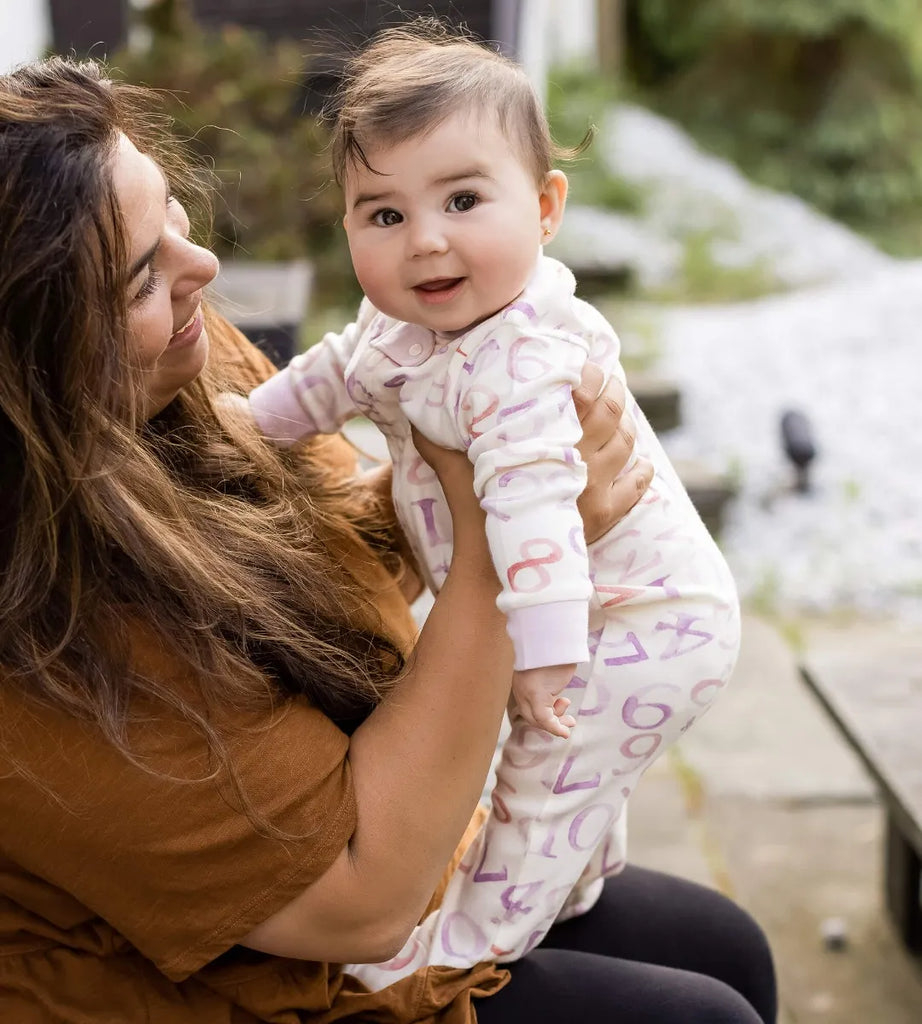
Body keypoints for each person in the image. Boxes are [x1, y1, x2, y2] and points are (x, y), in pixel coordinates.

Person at [0, 54, 776, 1024]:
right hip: (227, 965)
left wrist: (501, 464)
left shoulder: (177, 356)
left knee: (722, 943)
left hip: (366, 823)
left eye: (172, 216)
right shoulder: (35, 644)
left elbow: (344, 522)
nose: (203, 269)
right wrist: (510, 551)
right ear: (33, 366)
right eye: (142, 274)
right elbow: (359, 904)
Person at [245, 18, 744, 979]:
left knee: (538, 788)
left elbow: (538, 510)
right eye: (382, 214)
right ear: (346, 224)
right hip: (567, 614)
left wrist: (550, 653)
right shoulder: (395, 327)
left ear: (547, 206)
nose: (425, 242)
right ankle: (582, 879)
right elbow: (327, 379)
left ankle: (455, 960)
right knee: (563, 777)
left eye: (465, 200)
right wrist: (244, 422)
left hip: (633, 623)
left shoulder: (523, 359)